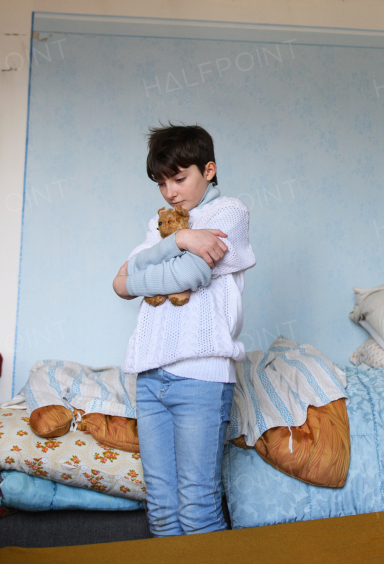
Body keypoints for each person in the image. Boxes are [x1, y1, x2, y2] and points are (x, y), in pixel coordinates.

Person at [112, 124, 255, 536]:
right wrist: (179, 240)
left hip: (201, 377)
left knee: (197, 509)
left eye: (179, 178)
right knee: (160, 510)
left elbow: (189, 274)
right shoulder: (161, 225)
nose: (171, 192)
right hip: (150, 377)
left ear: (208, 169)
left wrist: (140, 270)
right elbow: (117, 284)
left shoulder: (230, 211)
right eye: (161, 182)